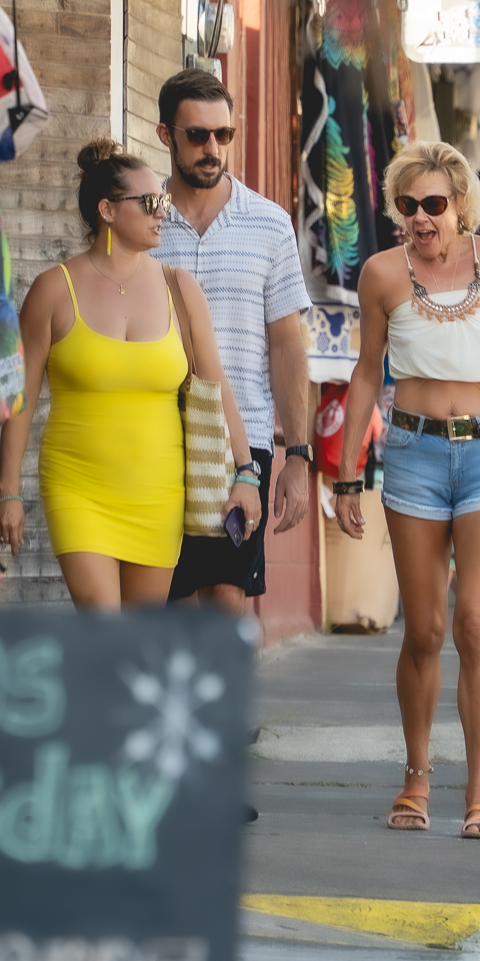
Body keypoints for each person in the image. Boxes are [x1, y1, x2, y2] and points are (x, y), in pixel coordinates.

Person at [333, 142, 480, 842]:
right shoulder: (383, 273)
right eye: (407, 205)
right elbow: (367, 372)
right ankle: (416, 778)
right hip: (414, 455)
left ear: (461, 204)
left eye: (433, 204)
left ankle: (479, 797)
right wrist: (345, 471)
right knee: (422, 631)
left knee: (476, 625)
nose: (421, 218)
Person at [0, 139, 261, 610]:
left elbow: (215, 388)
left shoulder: (179, 287)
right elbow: (20, 397)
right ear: (108, 210)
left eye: (164, 198)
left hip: (158, 491)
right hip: (78, 487)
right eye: (152, 201)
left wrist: (247, 473)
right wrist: (7, 491)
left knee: (138, 646)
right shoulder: (54, 290)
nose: (165, 210)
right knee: (103, 627)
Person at [152, 68, 314, 613]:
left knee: (225, 600)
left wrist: (298, 454)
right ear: (164, 135)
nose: (212, 148)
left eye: (223, 135)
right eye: (196, 135)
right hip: (154, 433)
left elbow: (288, 343)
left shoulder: (269, 224)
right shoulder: (139, 223)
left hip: (238, 443)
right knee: (167, 602)